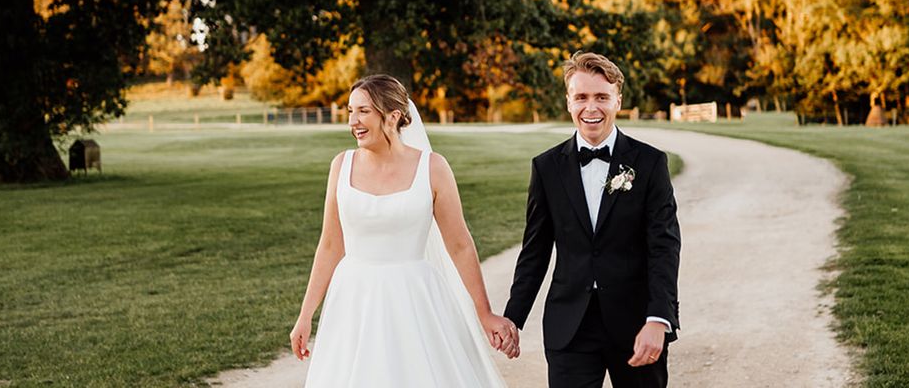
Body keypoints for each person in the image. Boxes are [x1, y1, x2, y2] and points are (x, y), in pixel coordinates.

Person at [289, 74, 519, 386]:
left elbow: (460, 245)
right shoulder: (341, 166)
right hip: (353, 301)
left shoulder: (433, 168)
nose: (353, 121)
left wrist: (485, 313)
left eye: (364, 111)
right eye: (350, 111)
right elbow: (330, 245)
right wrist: (305, 316)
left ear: (393, 116)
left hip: (415, 299)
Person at [504, 51, 681, 388]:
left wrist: (659, 319)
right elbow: (535, 251)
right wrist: (514, 316)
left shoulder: (650, 163)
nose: (591, 107)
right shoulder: (546, 167)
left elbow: (665, 247)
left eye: (602, 97)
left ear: (618, 101)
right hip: (569, 327)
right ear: (569, 102)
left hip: (636, 324)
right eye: (581, 97)